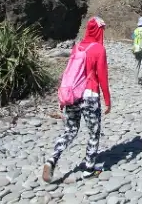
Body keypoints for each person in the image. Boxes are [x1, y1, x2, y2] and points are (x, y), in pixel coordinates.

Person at [43, 17, 111, 183]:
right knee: (93, 132)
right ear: (99, 31)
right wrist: (108, 100)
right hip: (90, 96)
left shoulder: (77, 47)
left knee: (70, 130)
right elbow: (102, 77)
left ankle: (52, 159)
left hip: (73, 95)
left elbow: (69, 73)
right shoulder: (99, 49)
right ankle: (89, 169)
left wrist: (62, 98)